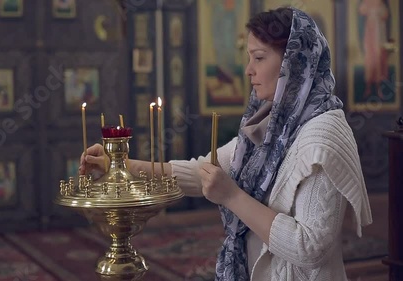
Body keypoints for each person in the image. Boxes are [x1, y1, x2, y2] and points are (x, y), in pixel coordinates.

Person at [79, 7, 372, 281]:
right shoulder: (275, 122)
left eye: (259, 58)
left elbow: (310, 248)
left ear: (293, 64)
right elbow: (203, 173)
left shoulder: (323, 134)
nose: (248, 70)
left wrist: (231, 197)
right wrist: (119, 165)